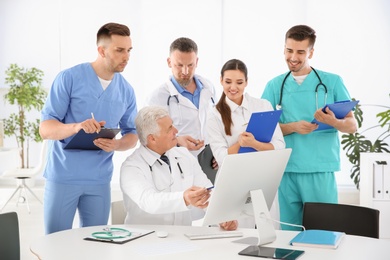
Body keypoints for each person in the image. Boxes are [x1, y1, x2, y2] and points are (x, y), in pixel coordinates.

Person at [39, 22, 138, 234]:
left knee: (96, 245)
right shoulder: (69, 78)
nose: (126, 56)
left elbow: (132, 134)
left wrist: (117, 144)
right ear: (101, 51)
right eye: (119, 50)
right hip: (63, 177)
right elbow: (46, 129)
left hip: (99, 180)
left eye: (129, 50)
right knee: (54, 244)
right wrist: (76, 127)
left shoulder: (126, 91)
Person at [261, 25, 357, 230]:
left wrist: (333, 122)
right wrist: (292, 127)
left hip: (319, 169)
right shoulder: (274, 85)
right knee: (287, 237)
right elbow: (263, 130)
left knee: (324, 232)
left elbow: (352, 125)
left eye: (300, 52)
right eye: (289, 50)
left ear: (311, 52)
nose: (293, 57)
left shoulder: (332, 82)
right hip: (285, 170)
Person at [120, 106, 237, 231]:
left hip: (183, 236)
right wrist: (184, 198)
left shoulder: (183, 155)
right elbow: (148, 201)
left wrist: (222, 216)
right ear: (152, 138)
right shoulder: (131, 167)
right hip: (146, 239)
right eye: (169, 128)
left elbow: (206, 191)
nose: (176, 131)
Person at [145, 37, 217, 172]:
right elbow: (147, 139)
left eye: (190, 65)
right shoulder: (157, 98)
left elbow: (217, 125)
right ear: (169, 62)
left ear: (197, 62)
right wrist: (177, 141)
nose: (185, 71)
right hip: (176, 167)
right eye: (179, 65)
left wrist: (219, 153)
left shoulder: (209, 88)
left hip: (208, 164)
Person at [207, 59, 285, 167]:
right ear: (221, 80)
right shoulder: (214, 115)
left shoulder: (263, 106)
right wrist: (241, 144)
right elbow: (221, 157)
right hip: (233, 175)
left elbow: (280, 146)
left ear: (246, 82)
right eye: (228, 82)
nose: (233, 88)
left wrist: (254, 144)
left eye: (239, 82)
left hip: (262, 172)